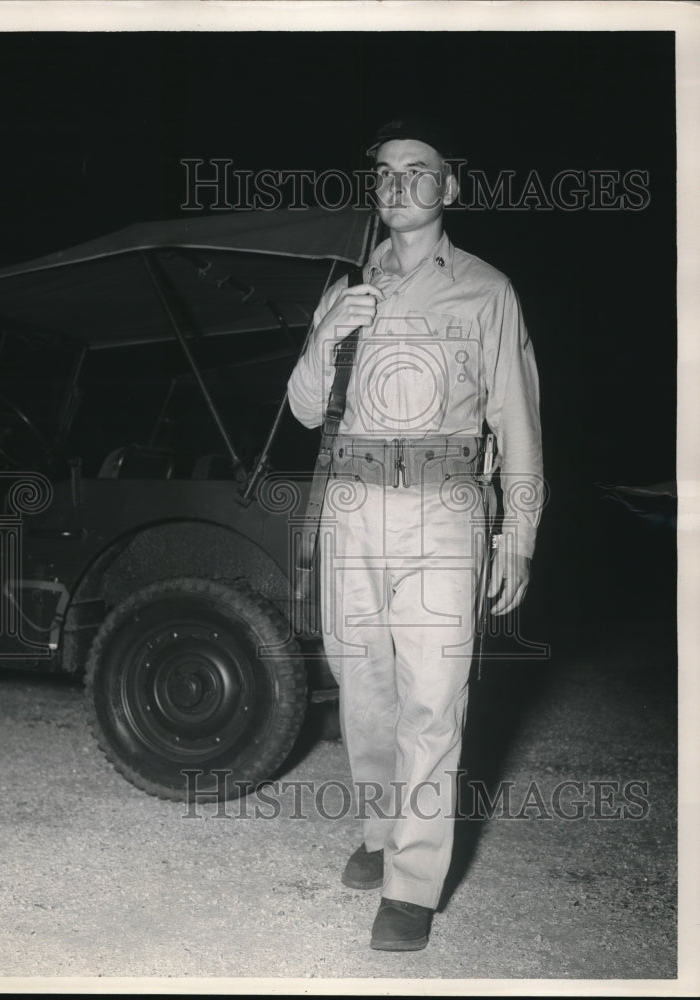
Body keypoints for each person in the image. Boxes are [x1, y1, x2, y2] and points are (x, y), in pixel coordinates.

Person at [287, 117, 544, 951]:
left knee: (432, 700)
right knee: (362, 692)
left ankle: (413, 883)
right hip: (354, 509)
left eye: (416, 169)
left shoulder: (486, 291)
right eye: (384, 173)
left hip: (445, 513)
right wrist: (327, 334)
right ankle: (378, 832)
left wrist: (520, 534)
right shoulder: (344, 292)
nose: (396, 184)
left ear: (449, 188)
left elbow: (517, 419)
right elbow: (299, 409)